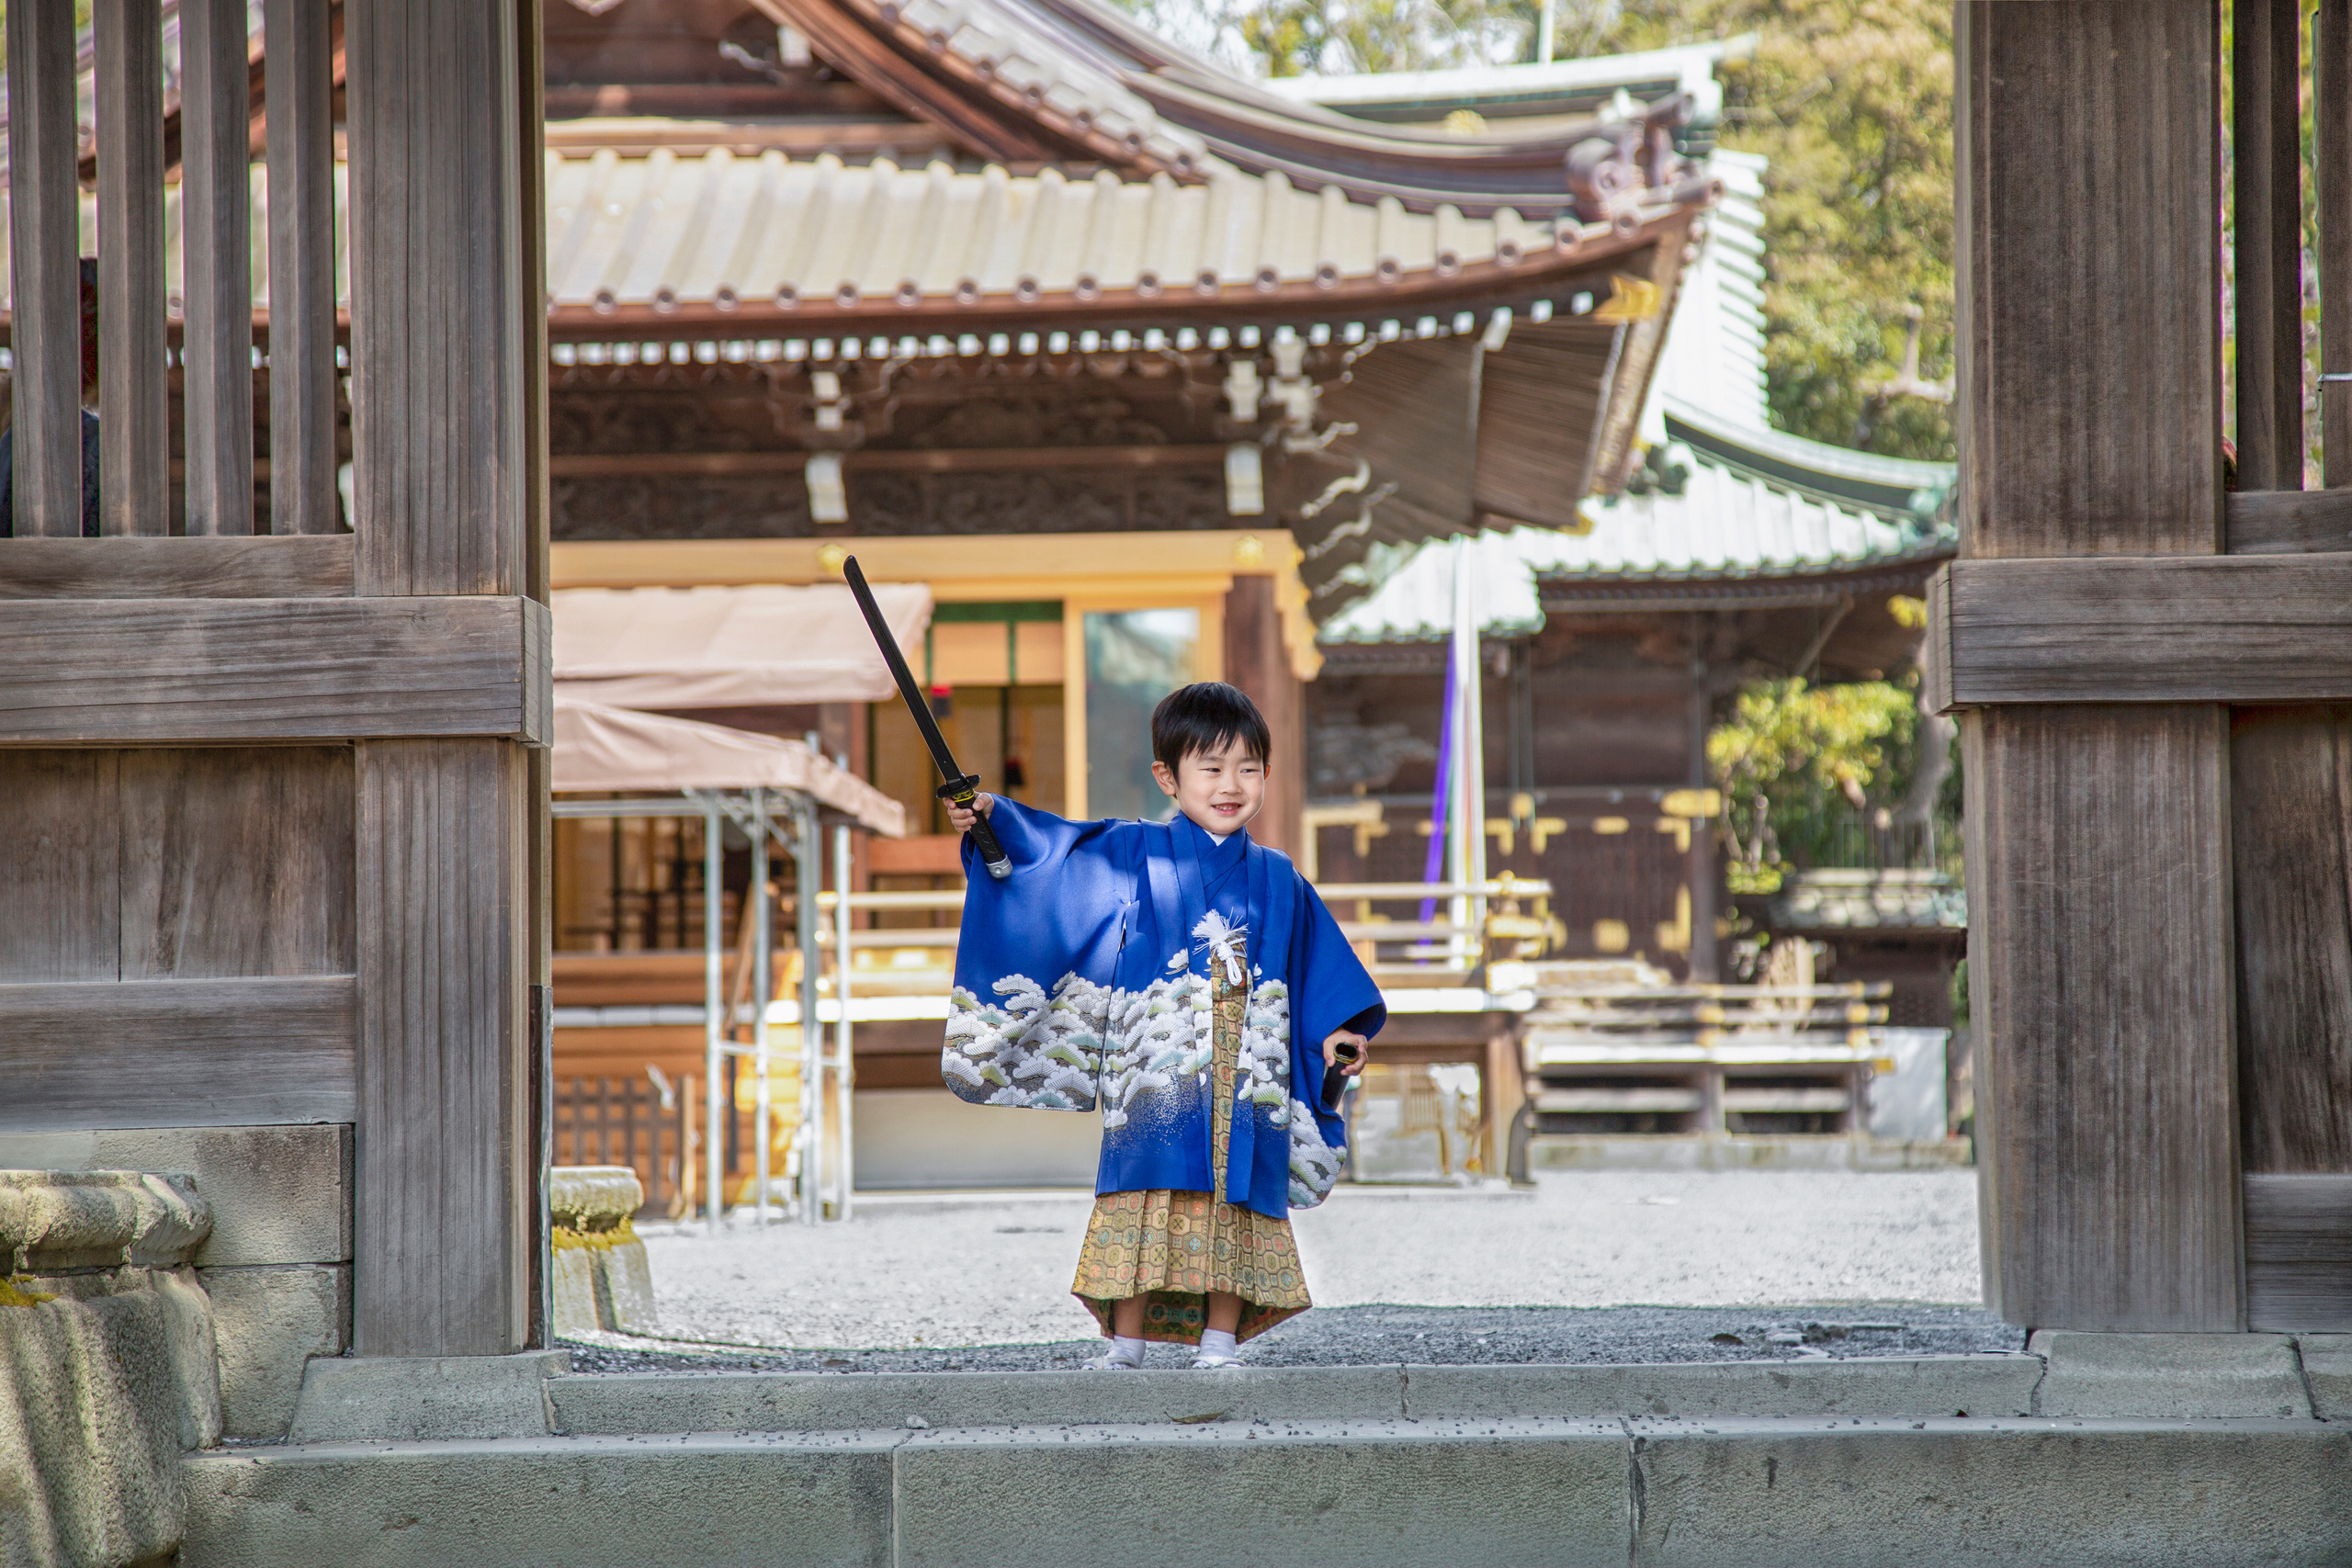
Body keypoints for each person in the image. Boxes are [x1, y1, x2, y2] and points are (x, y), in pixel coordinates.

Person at [944, 681, 1381, 1370]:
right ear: (1167, 777)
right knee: (1144, 1184)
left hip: (1249, 1055)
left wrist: (1335, 1030)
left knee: (1236, 1188)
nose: (1231, 784)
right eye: (1210, 768)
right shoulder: (1132, 853)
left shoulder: (1278, 875)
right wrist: (997, 818)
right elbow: (1054, 862)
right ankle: (1127, 1340)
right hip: (1156, 1057)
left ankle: (1219, 1337)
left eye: (1248, 768)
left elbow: (1314, 966)